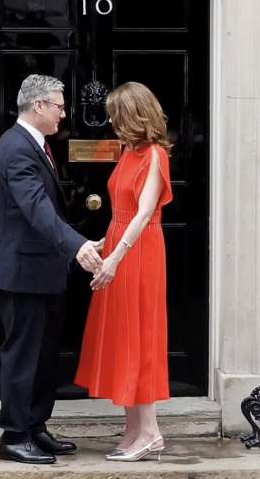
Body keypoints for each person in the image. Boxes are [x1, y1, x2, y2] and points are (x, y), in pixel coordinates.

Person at [0, 74, 103, 465]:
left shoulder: (36, 145)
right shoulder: (16, 149)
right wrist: (77, 245)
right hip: (19, 272)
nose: (64, 113)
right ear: (39, 106)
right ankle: (14, 435)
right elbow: (37, 210)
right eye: (59, 106)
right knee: (22, 355)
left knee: (45, 355)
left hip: (39, 271)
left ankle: (35, 426)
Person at [75, 81, 173, 462]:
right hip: (121, 242)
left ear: (135, 116)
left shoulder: (154, 155)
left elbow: (145, 212)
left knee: (140, 335)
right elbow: (123, 211)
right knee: (123, 335)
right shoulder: (128, 152)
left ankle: (151, 431)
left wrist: (116, 258)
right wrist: (105, 242)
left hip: (140, 252)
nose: (112, 123)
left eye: (117, 116)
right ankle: (134, 428)